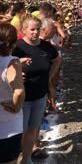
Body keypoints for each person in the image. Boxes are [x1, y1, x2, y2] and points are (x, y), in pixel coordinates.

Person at [10, 17, 59, 161]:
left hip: (40, 96)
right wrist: (16, 73)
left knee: (32, 130)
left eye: (38, 29)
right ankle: (16, 157)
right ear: (24, 30)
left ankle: (26, 159)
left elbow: (57, 60)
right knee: (20, 131)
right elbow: (4, 65)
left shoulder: (46, 46)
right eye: (32, 29)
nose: (36, 32)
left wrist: (49, 77)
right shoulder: (17, 47)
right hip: (22, 98)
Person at [0, 23, 24, 164]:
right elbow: (19, 92)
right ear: (14, 43)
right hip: (8, 127)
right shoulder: (12, 63)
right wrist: (16, 106)